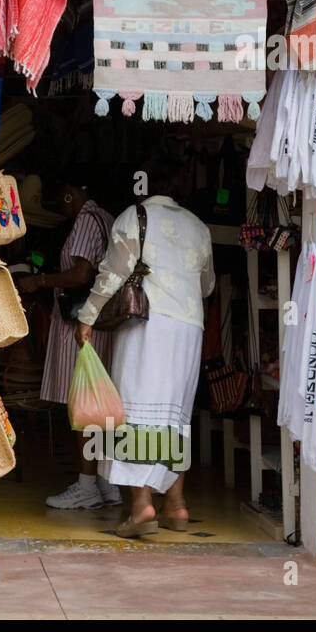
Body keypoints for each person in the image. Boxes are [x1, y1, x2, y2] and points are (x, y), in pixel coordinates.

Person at [75, 162, 214, 538]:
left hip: (148, 324)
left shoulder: (132, 217)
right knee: (175, 417)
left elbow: (112, 274)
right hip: (189, 325)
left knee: (138, 413)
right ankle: (177, 506)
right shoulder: (198, 226)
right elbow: (207, 285)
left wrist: (87, 316)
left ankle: (141, 506)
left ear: (140, 186)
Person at [20, 172, 117, 509]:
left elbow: (81, 274)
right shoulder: (105, 218)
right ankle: (105, 483)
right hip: (96, 323)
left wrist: (41, 281)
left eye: (62, 194)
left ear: (71, 192)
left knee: (83, 406)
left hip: (81, 325)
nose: (61, 204)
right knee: (96, 405)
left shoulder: (88, 219)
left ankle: (88, 485)